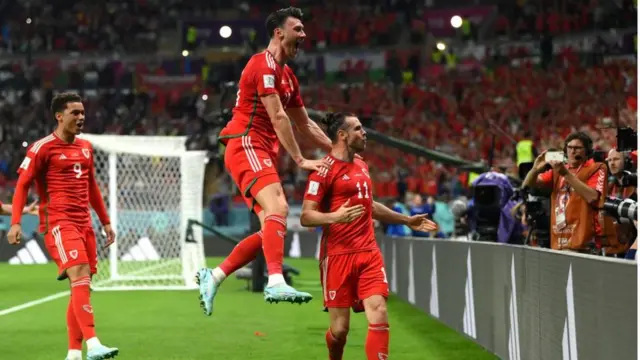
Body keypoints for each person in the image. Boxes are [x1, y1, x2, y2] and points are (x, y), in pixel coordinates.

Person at [196, 6, 334, 315]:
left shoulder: (288, 77)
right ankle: (274, 280)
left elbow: (305, 124)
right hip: (245, 142)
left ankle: (214, 276)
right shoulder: (262, 65)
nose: (303, 34)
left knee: (271, 226)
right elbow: (278, 116)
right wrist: (299, 158)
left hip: (260, 151)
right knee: (280, 208)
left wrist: (336, 151)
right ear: (278, 32)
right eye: (297, 29)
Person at [299, 112, 438, 360]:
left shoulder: (362, 165)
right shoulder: (322, 172)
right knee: (340, 330)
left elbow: (369, 206)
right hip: (337, 255)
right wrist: (335, 217)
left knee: (379, 311)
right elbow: (306, 216)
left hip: (368, 252)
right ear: (342, 135)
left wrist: (406, 220)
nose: (364, 133)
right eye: (358, 129)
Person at [7, 92, 119, 360]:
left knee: (81, 286)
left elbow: (92, 186)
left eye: (82, 112)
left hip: (85, 225)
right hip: (58, 222)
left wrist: (105, 221)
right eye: (75, 113)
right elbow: (22, 185)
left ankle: (73, 353)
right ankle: (93, 344)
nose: (81, 117)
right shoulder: (42, 147)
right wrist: (15, 223)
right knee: (78, 273)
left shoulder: (85, 147)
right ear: (59, 116)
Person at [522, 131, 615, 253]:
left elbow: (592, 197)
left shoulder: (597, 168)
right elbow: (528, 184)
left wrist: (566, 174)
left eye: (577, 148)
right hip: (558, 242)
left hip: (583, 245)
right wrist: (535, 169)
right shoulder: (557, 171)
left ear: (587, 151)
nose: (572, 151)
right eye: (569, 148)